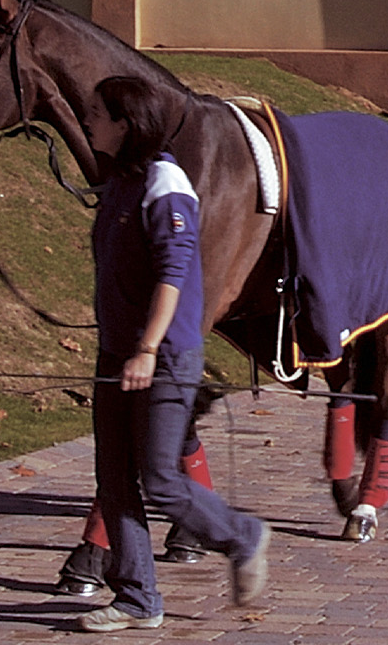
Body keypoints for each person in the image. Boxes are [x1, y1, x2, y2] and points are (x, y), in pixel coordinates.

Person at [77, 75, 269, 632]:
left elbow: (174, 274)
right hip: (118, 353)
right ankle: (137, 598)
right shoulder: (119, 181)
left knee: (160, 478)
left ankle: (244, 536)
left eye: (95, 111)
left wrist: (147, 349)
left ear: (124, 123)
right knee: (113, 477)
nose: (86, 118)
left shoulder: (165, 183)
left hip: (162, 357)